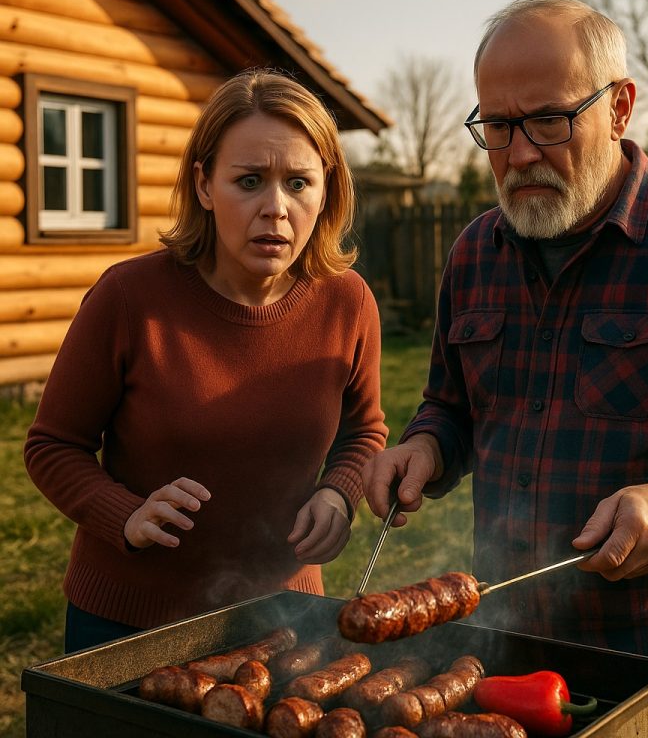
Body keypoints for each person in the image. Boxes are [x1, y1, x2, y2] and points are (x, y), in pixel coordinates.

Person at [362, 0, 648, 738]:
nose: (518, 154)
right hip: (507, 646)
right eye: (496, 127)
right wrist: (425, 446)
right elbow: (450, 405)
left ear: (619, 108)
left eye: (548, 121)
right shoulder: (474, 254)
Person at [25, 69, 387, 653]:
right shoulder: (127, 298)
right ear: (203, 185)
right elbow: (51, 445)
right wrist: (126, 515)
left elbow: (365, 429)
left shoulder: (349, 303)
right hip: (127, 622)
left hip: (285, 618)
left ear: (327, 191)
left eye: (299, 182)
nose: (275, 208)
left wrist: (338, 494)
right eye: (248, 181)